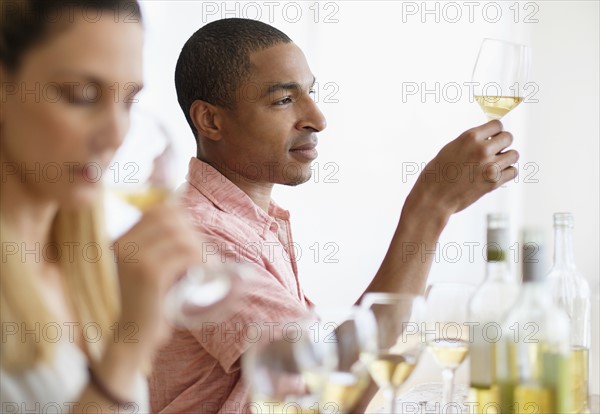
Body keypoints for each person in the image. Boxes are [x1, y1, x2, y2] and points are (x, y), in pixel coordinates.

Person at [149, 18, 519, 413]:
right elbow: (326, 396)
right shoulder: (199, 237)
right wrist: (429, 209)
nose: (317, 119)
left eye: (310, 93)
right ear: (210, 120)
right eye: (284, 100)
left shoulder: (248, 222)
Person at [0, 1, 206, 411]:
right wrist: (126, 353)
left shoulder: (95, 273)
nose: (116, 133)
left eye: (128, 102)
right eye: (81, 95)